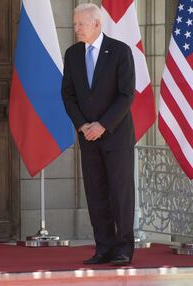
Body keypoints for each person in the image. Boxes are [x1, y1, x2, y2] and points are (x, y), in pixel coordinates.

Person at [62, 4, 135, 266]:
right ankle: (104, 247)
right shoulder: (72, 54)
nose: (76, 28)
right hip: (87, 136)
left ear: (96, 24)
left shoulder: (119, 51)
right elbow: (68, 95)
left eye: (81, 23)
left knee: (120, 192)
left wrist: (102, 125)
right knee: (95, 192)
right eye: (75, 23)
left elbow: (127, 94)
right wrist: (82, 125)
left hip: (115, 135)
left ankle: (124, 249)